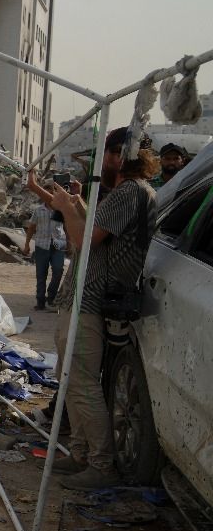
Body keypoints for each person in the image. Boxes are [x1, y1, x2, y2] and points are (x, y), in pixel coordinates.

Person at [47, 127, 159, 490]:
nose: (102, 160)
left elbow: (84, 240)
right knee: (71, 378)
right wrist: (76, 205)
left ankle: (100, 462)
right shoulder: (133, 192)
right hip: (86, 296)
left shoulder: (130, 191)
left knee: (80, 381)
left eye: (107, 153)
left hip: (92, 298)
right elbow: (98, 229)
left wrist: (66, 209)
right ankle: (81, 452)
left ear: (119, 156)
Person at [23, 199, 68, 310]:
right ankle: (40, 301)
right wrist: (27, 244)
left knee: (58, 270)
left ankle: (51, 297)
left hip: (58, 245)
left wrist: (70, 242)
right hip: (42, 245)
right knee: (41, 274)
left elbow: (67, 226)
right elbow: (32, 227)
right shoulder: (38, 210)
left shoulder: (61, 209)